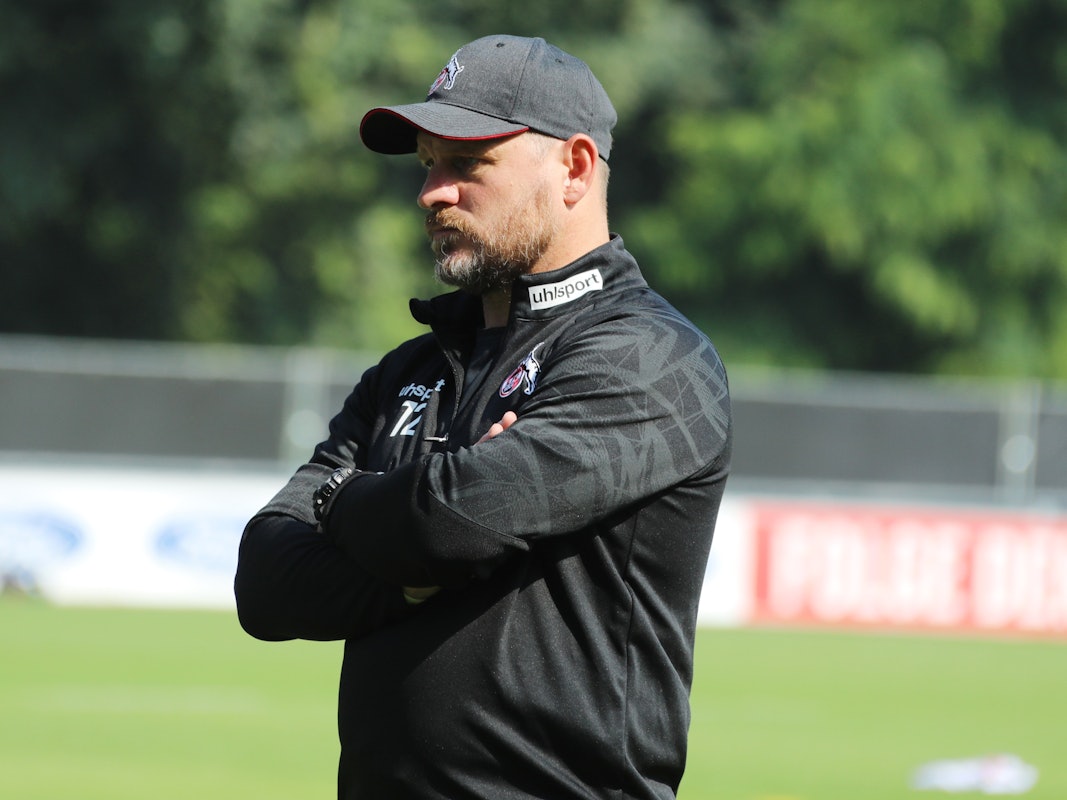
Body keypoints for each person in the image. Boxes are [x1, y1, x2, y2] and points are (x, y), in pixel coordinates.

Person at [235, 34, 732, 800]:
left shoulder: (652, 358)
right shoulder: (409, 368)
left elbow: (451, 524)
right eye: (427, 163)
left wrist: (343, 501)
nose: (432, 192)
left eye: (468, 164)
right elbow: (266, 583)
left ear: (572, 168)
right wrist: (407, 575)